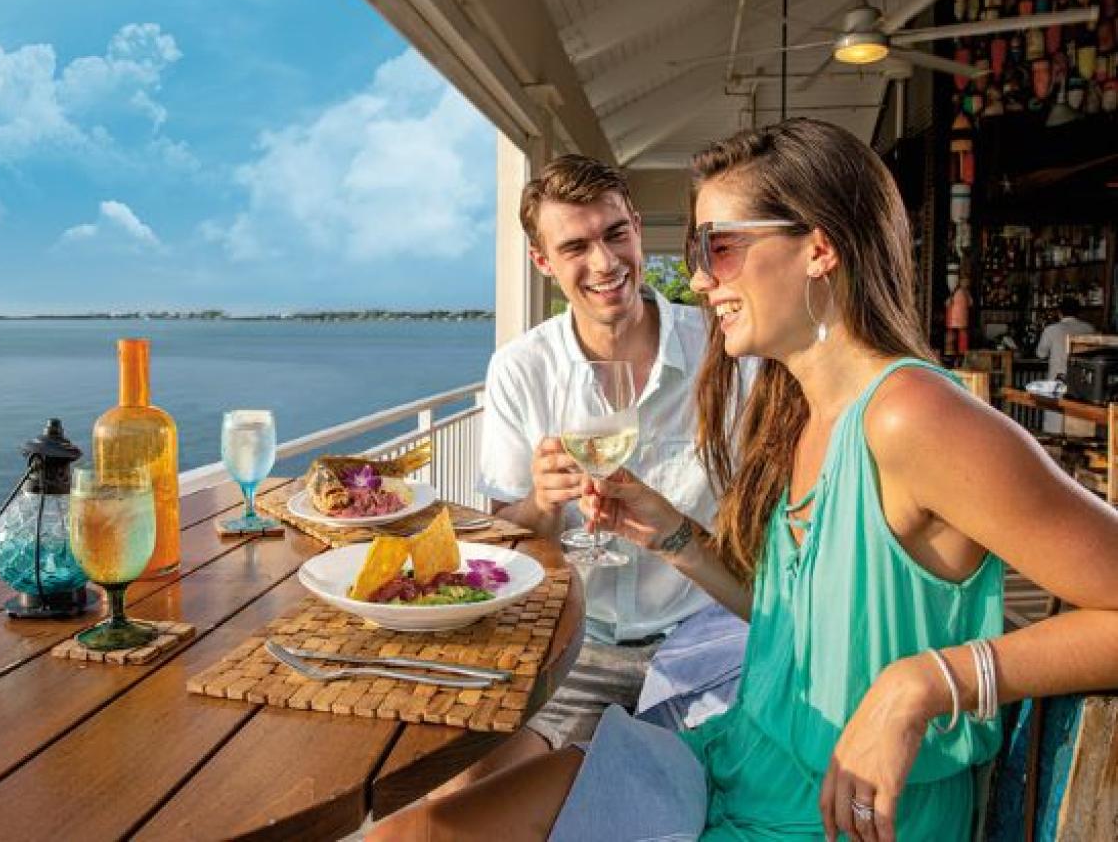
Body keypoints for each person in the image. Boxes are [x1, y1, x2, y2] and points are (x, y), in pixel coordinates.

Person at [371, 119, 1118, 841]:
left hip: (825, 812)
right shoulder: (800, 407)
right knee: (411, 832)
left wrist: (924, 682)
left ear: (819, 247)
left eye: (718, 247)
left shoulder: (911, 416)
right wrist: (672, 533)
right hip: (734, 758)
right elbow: (791, 623)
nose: (697, 278)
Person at [468, 154, 749, 775]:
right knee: (466, 794)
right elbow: (503, 550)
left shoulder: (724, 352)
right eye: (575, 246)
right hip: (577, 648)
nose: (604, 263)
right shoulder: (522, 370)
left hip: (705, 639)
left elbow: (766, 527)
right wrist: (541, 504)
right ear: (543, 263)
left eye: (615, 234)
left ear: (638, 229)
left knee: (706, 799)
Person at [1036, 295, 1096, 434]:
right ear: (1079, 312)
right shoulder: (1089, 328)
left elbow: (1041, 354)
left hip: (1057, 380)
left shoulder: (1052, 330)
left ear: (1059, 312)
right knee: (1079, 427)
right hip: (1083, 383)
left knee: (1054, 425)